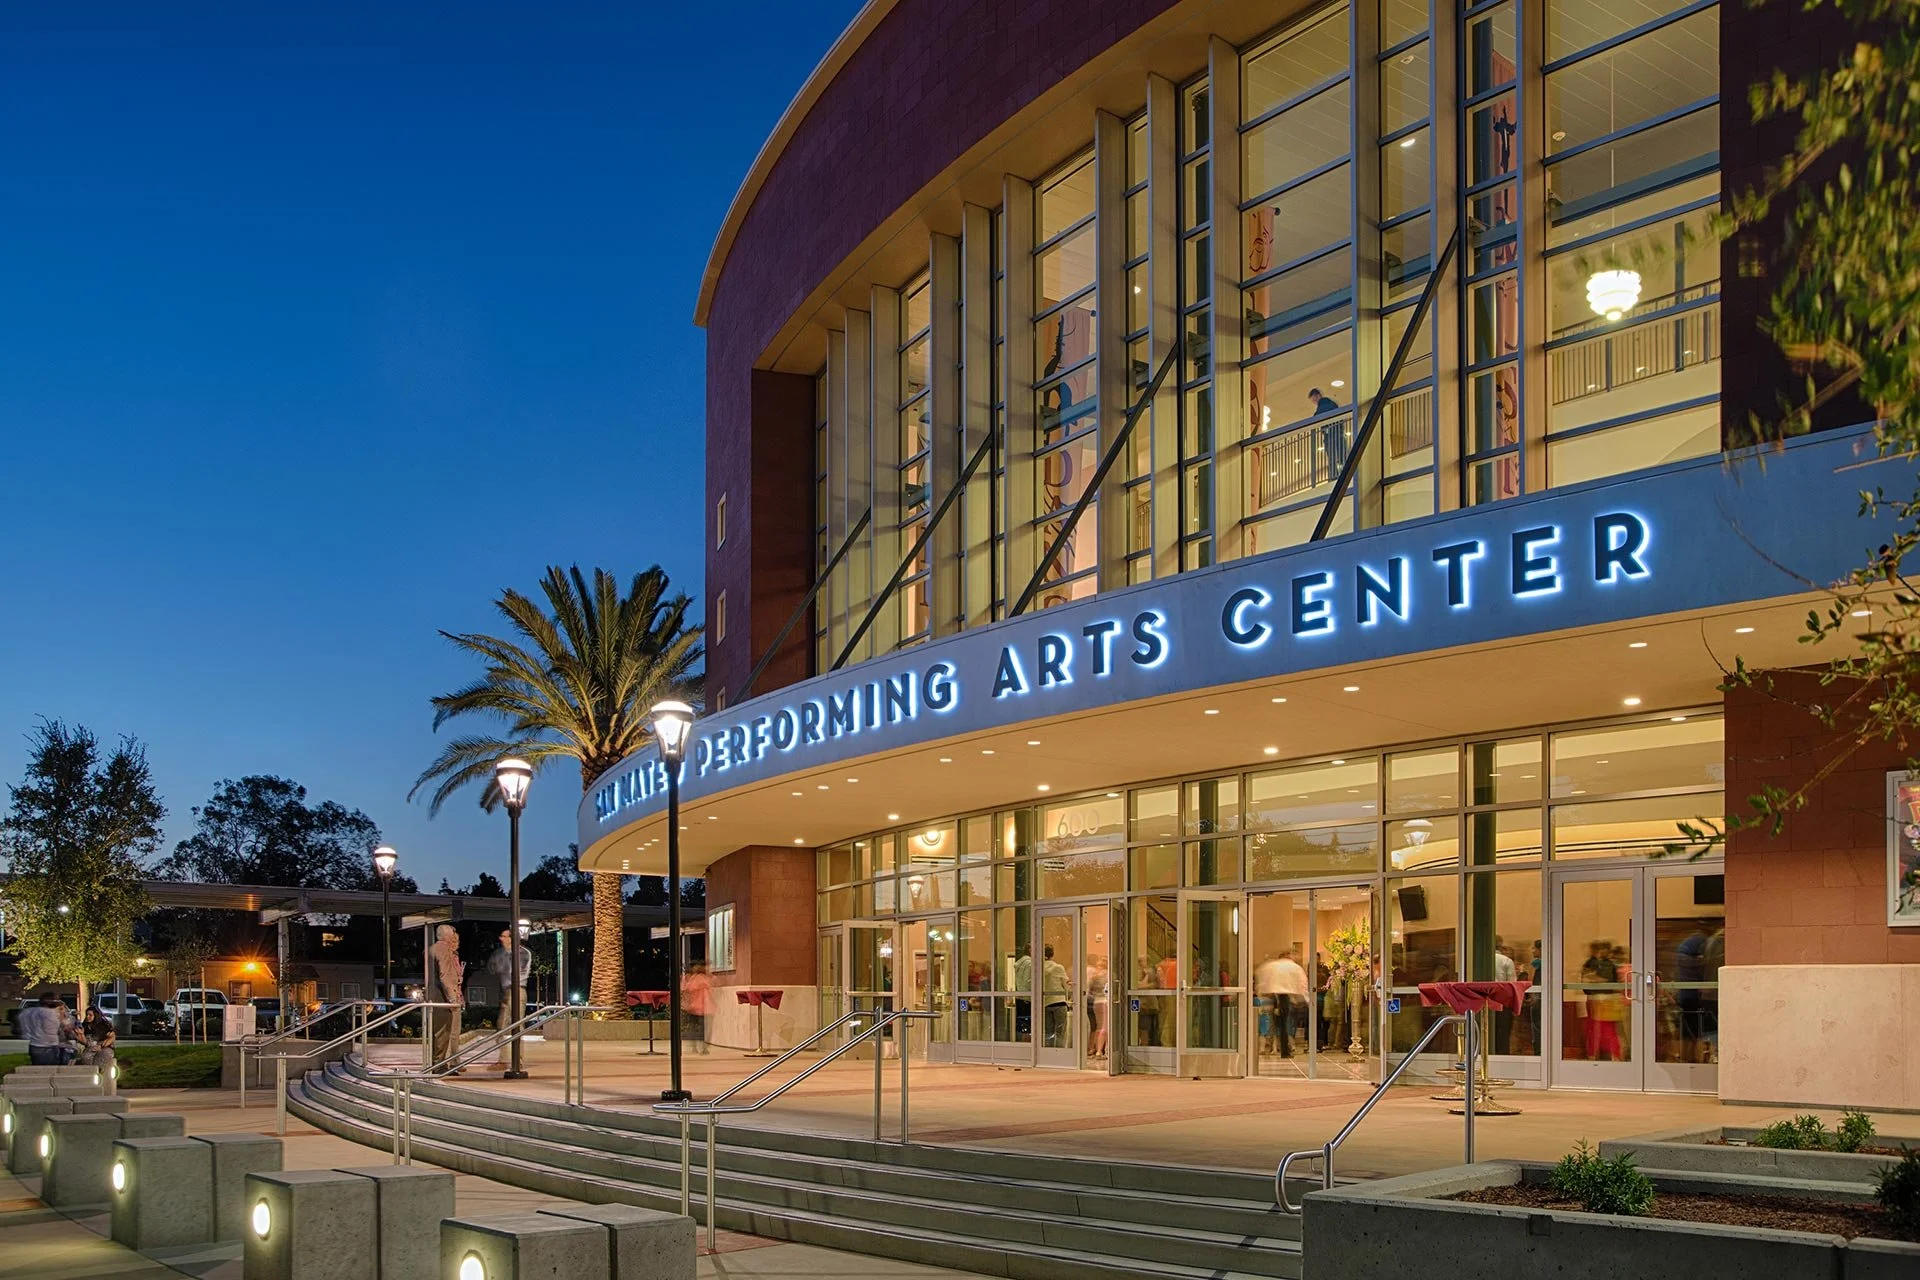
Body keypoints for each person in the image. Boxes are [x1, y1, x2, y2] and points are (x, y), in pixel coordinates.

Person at [430, 924, 464, 1070]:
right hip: (443, 998)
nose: (453, 941)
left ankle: (438, 1063)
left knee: (439, 1032)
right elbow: (445, 975)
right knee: (444, 1032)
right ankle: (440, 1065)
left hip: (434, 996)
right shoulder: (443, 950)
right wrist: (452, 998)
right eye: (452, 937)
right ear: (447, 936)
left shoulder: (431, 949)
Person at [488, 929, 532, 1025]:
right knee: (502, 1023)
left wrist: (500, 964)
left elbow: (511, 970)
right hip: (506, 991)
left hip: (517, 989)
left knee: (516, 1022)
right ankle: (503, 1039)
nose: (501, 939)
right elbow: (492, 968)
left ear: (511, 938)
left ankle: (517, 1040)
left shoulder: (523, 953)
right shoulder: (500, 953)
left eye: (504, 937)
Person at [18, 993, 72, 1066]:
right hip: (49, 1046)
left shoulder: (28, 1012)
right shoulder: (52, 1013)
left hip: (34, 1045)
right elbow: (66, 1026)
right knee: (50, 1070)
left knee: (38, 1069)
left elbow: (23, 1025)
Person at [77, 1005, 117, 1090]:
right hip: (91, 1048)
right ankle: (90, 1078)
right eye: (87, 1015)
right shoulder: (84, 1026)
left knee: (102, 1056)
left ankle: (98, 1075)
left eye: (90, 1015)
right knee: (85, 1058)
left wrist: (101, 1045)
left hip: (105, 1048)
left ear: (95, 1016)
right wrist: (80, 1035)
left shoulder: (103, 1026)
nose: (88, 1017)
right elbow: (85, 1042)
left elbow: (112, 1036)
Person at [1041, 945, 1070, 1048]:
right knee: (1060, 1032)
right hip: (1059, 1002)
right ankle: (1059, 1053)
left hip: (1045, 1003)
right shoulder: (1058, 967)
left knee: (1048, 1031)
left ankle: (1049, 1053)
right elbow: (1066, 985)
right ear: (1052, 954)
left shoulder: (1038, 968)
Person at [681, 962, 712, 1054]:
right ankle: (704, 1048)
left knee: (693, 1027)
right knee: (704, 1029)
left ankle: (694, 1047)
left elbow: (685, 989)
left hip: (693, 1007)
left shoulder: (692, 979)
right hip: (704, 1008)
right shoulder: (704, 979)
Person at [1085, 955, 1109, 1060]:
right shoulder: (1109, 975)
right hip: (1105, 1001)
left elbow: (1089, 991)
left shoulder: (1095, 977)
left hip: (1096, 1002)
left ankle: (1094, 1049)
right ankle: (1101, 1050)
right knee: (1106, 1027)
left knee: (1098, 1027)